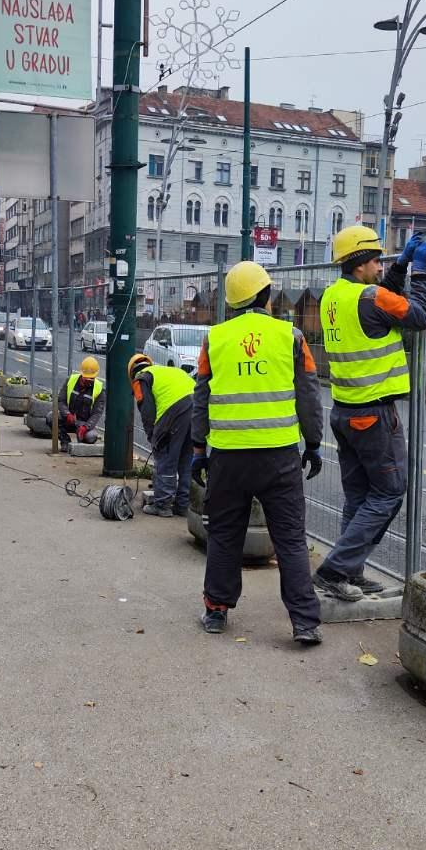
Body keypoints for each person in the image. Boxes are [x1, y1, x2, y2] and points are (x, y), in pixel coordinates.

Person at [190, 261, 326, 645]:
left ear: (232, 302)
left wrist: (199, 449)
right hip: (279, 457)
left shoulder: (214, 340)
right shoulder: (292, 336)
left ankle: (216, 611)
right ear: (267, 296)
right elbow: (309, 394)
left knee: (224, 535)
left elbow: (202, 395)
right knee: (290, 540)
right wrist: (313, 443)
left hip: (229, 457)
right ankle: (304, 622)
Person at [312, 224, 426, 602]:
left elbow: (382, 301)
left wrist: (399, 268)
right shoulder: (371, 297)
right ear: (362, 263)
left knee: (359, 496)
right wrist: (422, 273)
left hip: (345, 412)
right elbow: (419, 316)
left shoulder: (333, 296)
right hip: (375, 415)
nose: (382, 266)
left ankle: (350, 572)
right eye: (378, 260)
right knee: (389, 494)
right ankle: (334, 570)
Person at [128, 353, 196, 517]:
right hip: (197, 408)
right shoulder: (168, 371)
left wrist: (154, 437)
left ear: (131, 374)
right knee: (186, 460)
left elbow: (147, 412)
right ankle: (183, 505)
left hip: (175, 411)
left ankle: (163, 505)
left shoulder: (141, 379)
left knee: (165, 456)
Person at [60, 356, 106, 449]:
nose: (90, 381)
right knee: (51, 417)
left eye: (92, 378)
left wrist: (85, 427)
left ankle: (80, 442)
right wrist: (67, 414)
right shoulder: (71, 380)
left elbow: (97, 413)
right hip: (69, 419)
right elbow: (61, 400)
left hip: (83, 423)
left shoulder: (99, 389)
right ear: (82, 375)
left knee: (91, 436)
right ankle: (65, 441)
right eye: (87, 379)